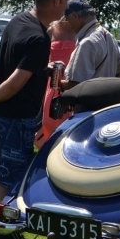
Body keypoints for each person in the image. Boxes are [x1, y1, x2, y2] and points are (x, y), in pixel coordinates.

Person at [0, 0, 70, 239]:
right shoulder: (39, 37)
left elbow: (14, 64)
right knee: (10, 176)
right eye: (65, 1)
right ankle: (6, 234)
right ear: (56, 1)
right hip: (14, 114)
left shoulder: (16, 21)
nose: (66, 8)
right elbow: (17, 79)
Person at [60, 0, 120, 91]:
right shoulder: (108, 36)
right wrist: (113, 92)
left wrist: (57, 82)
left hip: (89, 99)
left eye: (67, 19)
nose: (67, 24)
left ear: (75, 16)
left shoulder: (87, 43)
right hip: (107, 99)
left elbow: (76, 84)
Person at [34, 18, 77, 149]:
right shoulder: (51, 30)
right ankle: (49, 149)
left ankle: (67, 149)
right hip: (51, 82)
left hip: (71, 82)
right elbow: (40, 57)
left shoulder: (78, 29)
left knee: (70, 120)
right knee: (49, 119)